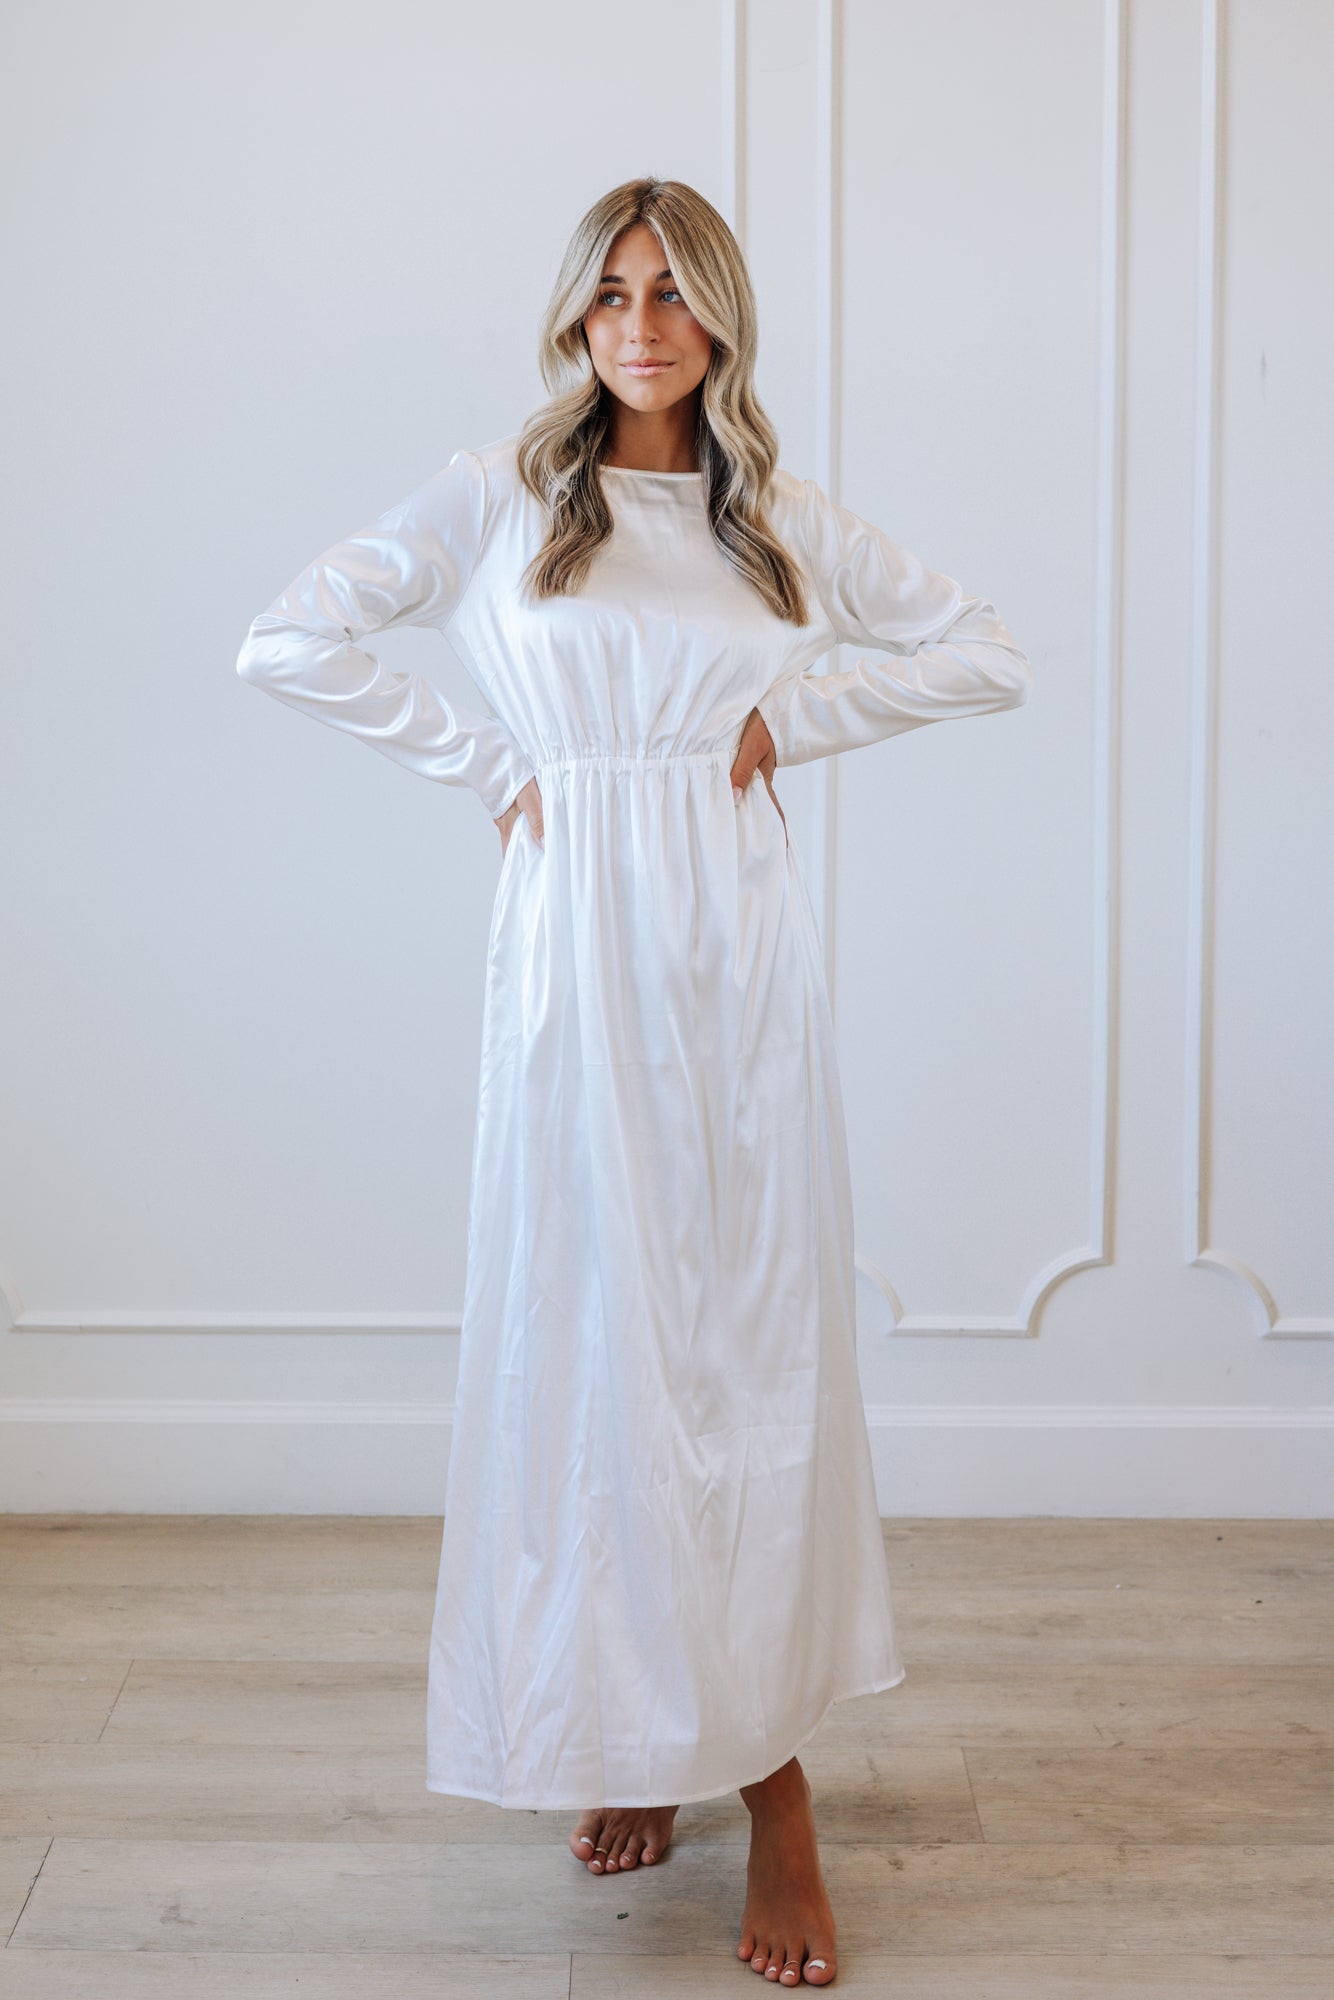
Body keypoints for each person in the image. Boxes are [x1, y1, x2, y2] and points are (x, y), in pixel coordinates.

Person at [236, 175, 1031, 1989]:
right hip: (567, 957)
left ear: (720, 317)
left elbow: (982, 648)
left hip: (732, 962)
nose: (640, 326)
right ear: (573, 318)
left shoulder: (775, 522)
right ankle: (635, 1726)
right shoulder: (502, 496)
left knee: (734, 1345)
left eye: (672, 294)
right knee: (591, 1337)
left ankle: (774, 1783)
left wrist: (791, 718)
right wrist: (490, 765)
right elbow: (285, 638)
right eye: (610, 295)